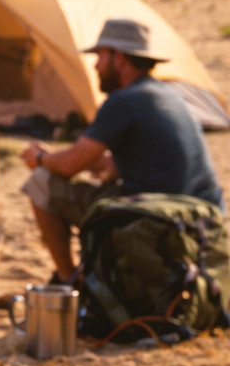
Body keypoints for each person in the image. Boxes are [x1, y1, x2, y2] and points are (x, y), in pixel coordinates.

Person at [20, 18, 225, 283]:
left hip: (156, 218)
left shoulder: (123, 101)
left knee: (40, 183)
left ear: (119, 59)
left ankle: (70, 279)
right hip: (204, 217)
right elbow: (138, 161)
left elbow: (69, 164)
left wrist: (39, 157)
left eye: (100, 56)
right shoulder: (168, 94)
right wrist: (93, 164)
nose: (94, 65)